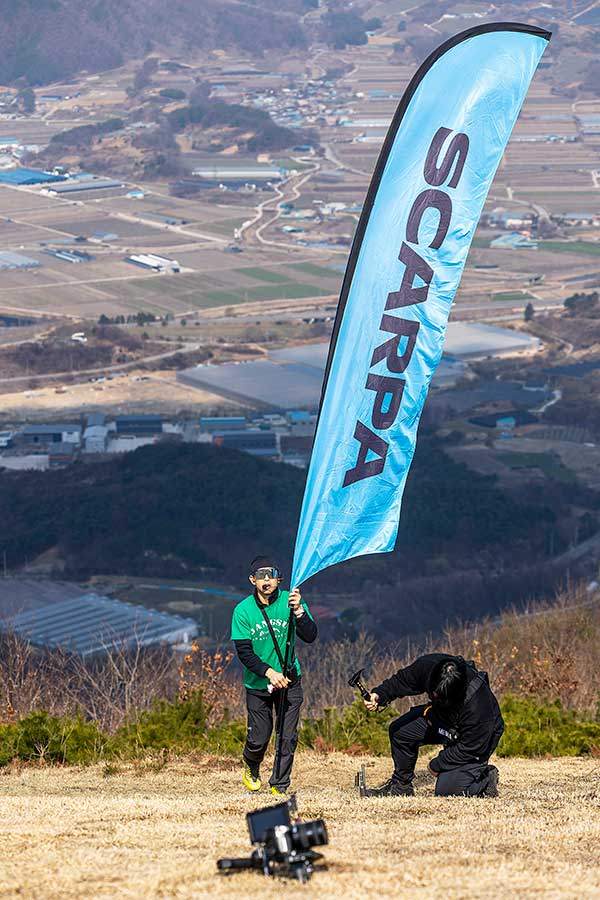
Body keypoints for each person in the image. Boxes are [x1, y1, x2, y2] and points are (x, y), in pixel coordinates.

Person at [231, 555, 317, 796]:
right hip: (258, 683)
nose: (266, 580)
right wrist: (269, 673)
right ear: (252, 580)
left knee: (287, 736)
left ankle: (279, 785)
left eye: (270, 575)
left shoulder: (291, 601)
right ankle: (251, 763)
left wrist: (299, 611)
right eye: (260, 576)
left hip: (290, 681)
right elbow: (244, 653)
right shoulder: (243, 611)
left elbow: (310, 636)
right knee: (259, 737)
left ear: (279, 578)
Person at [363, 653, 504, 797]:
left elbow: (470, 748)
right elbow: (403, 680)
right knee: (400, 732)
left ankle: (486, 777)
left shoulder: (479, 707)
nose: (434, 696)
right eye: (433, 693)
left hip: (475, 741)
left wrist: (437, 764)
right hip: (442, 717)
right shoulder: (429, 666)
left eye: (440, 696)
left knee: (448, 791)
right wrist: (379, 695)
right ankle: (401, 786)